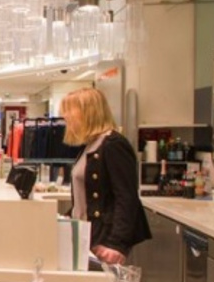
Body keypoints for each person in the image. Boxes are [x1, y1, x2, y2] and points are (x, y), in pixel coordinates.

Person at [59, 88, 151, 266]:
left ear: (88, 112)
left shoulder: (113, 145)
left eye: (70, 110)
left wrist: (116, 243)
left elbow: (126, 197)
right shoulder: (91, 145)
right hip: (87, 233)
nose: (65, 116)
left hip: (104, 238)